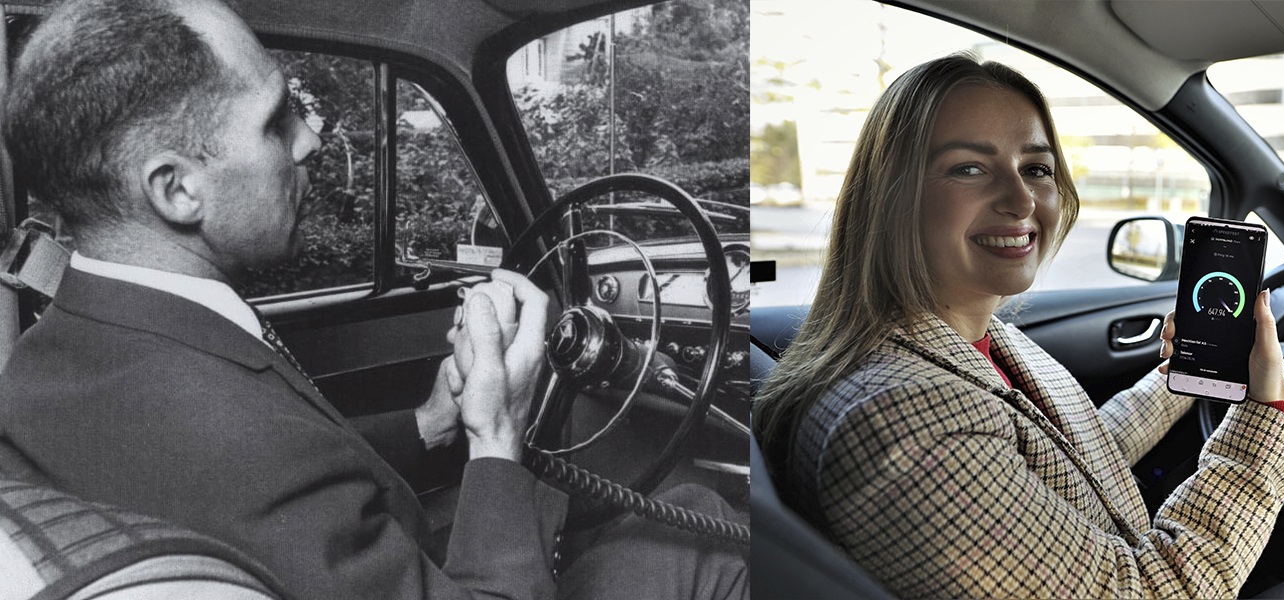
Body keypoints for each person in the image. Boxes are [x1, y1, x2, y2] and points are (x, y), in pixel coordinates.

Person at [0, 0, 744, 599]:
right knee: (704, 524)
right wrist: (497, 432)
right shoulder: (236, 444)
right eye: (275, 119)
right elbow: (271, 466)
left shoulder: (48, 362)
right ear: (177, 189)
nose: (311, 138)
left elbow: (304, 479)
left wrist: (432, 425)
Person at [752, 53, 1284, 599]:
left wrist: (1186, 378)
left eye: (1037, 167)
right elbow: (1153, 590)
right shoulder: (904, 424)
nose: (1022, 197)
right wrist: (1269, 413)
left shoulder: (968, 339)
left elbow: (1070, 459)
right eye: (970, 167)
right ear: (892, 196)